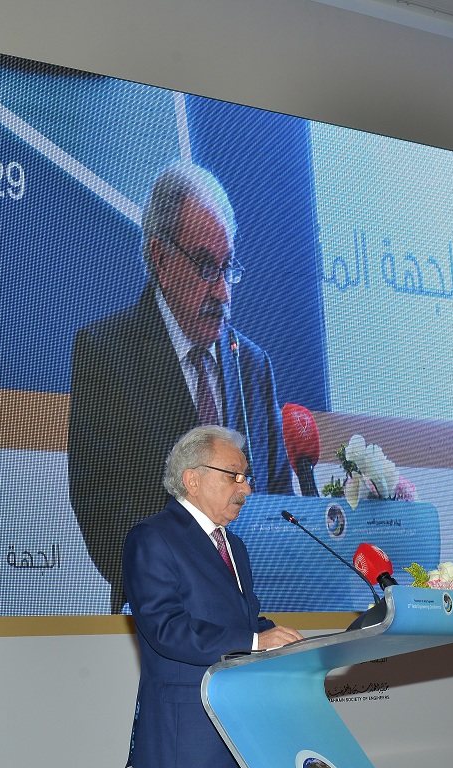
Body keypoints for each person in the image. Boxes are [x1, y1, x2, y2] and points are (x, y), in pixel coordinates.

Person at [69, 162, 293, 613]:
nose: (223, 292)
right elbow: (99, 509)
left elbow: (280, 502)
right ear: (160, 258)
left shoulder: (252, 365)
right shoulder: (108, 353)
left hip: (259, 620)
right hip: (166, 624)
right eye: (206, 266)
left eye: (227, 268)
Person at [122, 425, 304, 768]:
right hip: (185, 746)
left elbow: (239, 620)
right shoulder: (153, 537)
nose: (246, 488)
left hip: (240, 738)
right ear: (192, 478)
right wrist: (254, 640)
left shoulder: (234, 547)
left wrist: (280, 636)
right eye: (235, 476)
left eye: (247, 477)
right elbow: (166, 628)